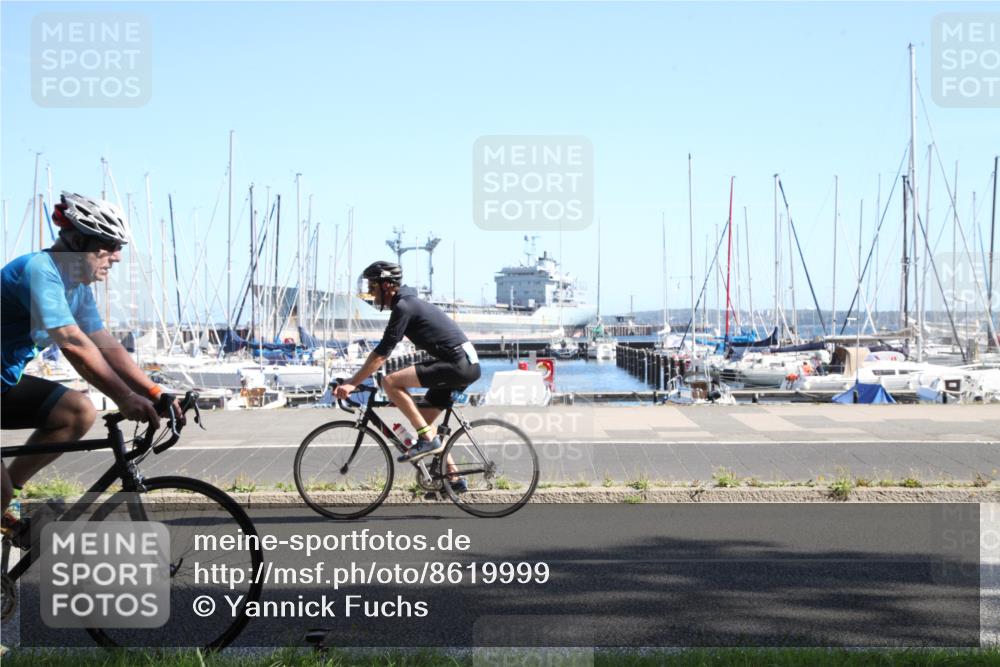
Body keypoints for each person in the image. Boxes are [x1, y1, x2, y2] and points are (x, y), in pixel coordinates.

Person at [1, 191, 183, 539]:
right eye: (109, 245)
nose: (116, 257)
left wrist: (154, 391)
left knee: (78, 412)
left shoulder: (76, 286)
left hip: (3, 382)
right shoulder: (39, 271)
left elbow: (105, 344)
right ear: (77, 240)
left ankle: (5, 500)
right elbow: (72, 342)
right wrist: (123, 398)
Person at [334, 261, 481, 493]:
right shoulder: (408, 303)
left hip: (457, 365)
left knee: (390, 381)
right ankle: (454, 480)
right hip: (465, 364)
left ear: (387, 286)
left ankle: (427, 442)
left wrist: (353, 383)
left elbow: (382, 353)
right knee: (423, 421)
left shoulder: (404, 306)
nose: (371, 294)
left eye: (373, 288)